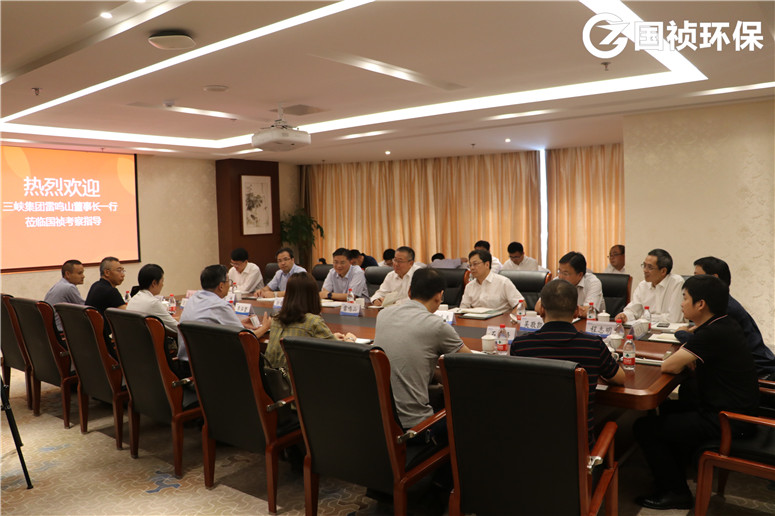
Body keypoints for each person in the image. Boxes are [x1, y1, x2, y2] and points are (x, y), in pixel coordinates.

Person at [633, 275, 759, 510]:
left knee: (645, 428)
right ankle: (672, 473)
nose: (682, 303)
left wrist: (683, 356)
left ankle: (676, 493)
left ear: (701, 304)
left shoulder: (713, 333)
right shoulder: (724, 323)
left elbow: (669, 366)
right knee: (667, 409)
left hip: (728, 420)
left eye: (685, 298)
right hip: (732, 410)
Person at [510, 279, 624, 445]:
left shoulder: (521, 346)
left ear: (541, 310)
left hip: (530, 443)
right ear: (577, 311)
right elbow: (620, 378)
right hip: (578, 448)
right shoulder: (593, 345)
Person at [375, 267, 472, 430]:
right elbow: (471, 365)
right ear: (439, 296)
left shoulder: (383, 315)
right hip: (416, 427)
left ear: (409, 291)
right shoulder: (437, 326)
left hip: (381, 421)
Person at [684, 256, 775, 378]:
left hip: (757, 371)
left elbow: (703, 342)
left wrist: (681, 334)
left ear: (714, 278)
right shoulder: (725, 302)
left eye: (697, 276)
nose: (694, 281)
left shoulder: (725, 309)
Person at [179, 264, 270, 378]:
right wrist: (265, 327)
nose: (229, 285)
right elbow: (245, 338)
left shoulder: (193, 299)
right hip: (212, 370)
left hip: (187, 366)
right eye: (228, 281)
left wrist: (239, 323)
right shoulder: (220, 305)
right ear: (221, 286)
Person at [266, 272, 355, 371]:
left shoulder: (276, 319)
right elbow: (342, 353)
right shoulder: (313, 321)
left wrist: (332, 337)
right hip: (296, 380)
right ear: (313, 296)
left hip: (272, 378)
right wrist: (349, 339)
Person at [615, 249, 684, 324]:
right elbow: (633, 310)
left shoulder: (677, 283)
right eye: (644, 266)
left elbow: (674, 318)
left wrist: (645, 317)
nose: (645, 270)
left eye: (650, 267)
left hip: (672, 330)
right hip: (647, 329)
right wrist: (625, 315)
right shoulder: (643, 285)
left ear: (663, 271)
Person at [536, 251, 604, 316]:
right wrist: (576, 310)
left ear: (580, 275)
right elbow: (538, 307)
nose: (560, 276)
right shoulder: (556, 281)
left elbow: (588, 312)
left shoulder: (593, 283)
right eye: (559, 271)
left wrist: (556, 309)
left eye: (565, 273)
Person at [126, 264, 178, 336]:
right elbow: (177, 328)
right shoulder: (153, 303)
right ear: (154, 283)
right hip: (149, 341)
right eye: (162, 281)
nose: (162, 285)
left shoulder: (133, 299)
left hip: (135, 340)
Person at [44, 259, 86, 332]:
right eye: (80, 273)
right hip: (60, 331)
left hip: (50, 330)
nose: (83, 276)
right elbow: (85, 310)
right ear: (67, 274)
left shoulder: (57, 285)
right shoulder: (69, 288)